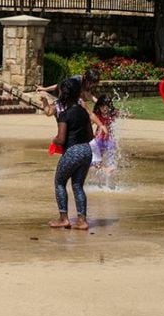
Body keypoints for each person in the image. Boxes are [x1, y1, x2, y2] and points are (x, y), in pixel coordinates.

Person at [49, 77, 94, 230]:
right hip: (86, 150)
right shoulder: (83, 112)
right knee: (77, 185)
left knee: (60, 182)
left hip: (72, 151)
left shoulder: (65, 115)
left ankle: (63, 218)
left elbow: (61, 140)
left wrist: (54, 141)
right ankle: (82, 220)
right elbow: (90, 136)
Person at [89, 95, 118, 170]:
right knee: (97, 155)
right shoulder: (97, 115)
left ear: (110, 106)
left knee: (111, 148)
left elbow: (122, 114)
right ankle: (97, 165)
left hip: (109, 139)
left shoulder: (112, 114)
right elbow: (89, 124)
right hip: (99, 138)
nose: (104, 108)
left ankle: (111, 165)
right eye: (102, 106)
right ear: (98, 107)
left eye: (106, 106)